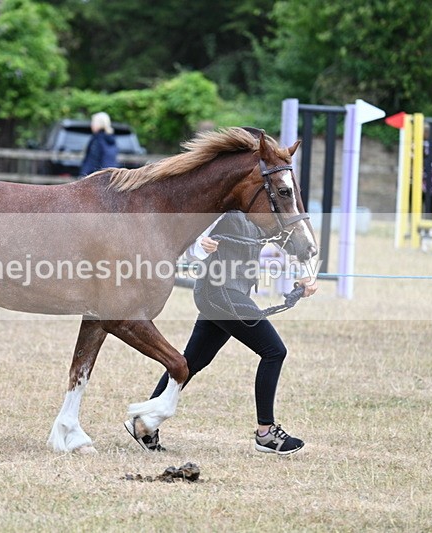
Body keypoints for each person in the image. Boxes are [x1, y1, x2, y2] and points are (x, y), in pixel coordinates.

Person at [125, 211, 318, 455]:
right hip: (220, 293)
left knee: (192, 361)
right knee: (274, 351)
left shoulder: (261, 211)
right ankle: (266, 433)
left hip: (229, 293)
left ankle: (143, 425)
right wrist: (199, 243)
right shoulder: (222, 207)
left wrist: (306, 273)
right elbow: (184, 235)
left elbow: (292, 239)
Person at [79, 112, 119, 177]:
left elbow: (92, 161)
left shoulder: (98, 139)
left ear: (99, 124)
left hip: (96, 178)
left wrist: (83, 175)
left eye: (93, 122)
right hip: (110, 176)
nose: (91, 125)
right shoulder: (111, 139)